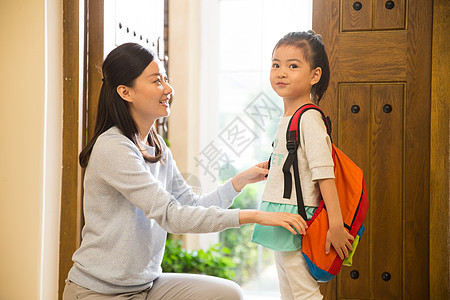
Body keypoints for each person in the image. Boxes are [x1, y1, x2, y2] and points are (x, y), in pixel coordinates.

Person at [62, 42, 307, 300]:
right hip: (99, 291)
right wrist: (254, 216)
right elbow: (172, 216)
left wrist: (238, 182)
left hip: (147, 285)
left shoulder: (157, 149)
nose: (168, 89)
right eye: (156, 81)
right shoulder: (113, 148)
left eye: (166, 79)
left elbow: (190, 205)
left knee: (227, 294)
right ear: (126, 92)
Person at [251, 31, 354, 299]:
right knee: (288, 289)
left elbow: (324, 173)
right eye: (276, 64)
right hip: (281, 215)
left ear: (314, 75)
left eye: (293, 65)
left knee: (304, 292)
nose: (281, 72)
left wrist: (336, 225)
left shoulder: (308, 117)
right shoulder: (288, 117)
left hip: (299, 219)